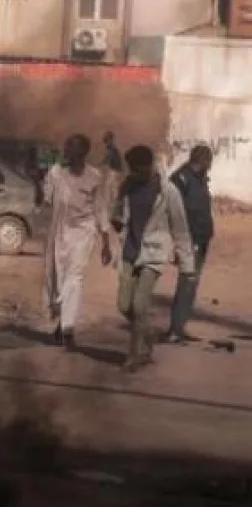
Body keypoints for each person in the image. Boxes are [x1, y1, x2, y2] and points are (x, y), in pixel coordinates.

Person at [108, 145, 195, 373]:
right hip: (130, 251)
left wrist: (188, 266)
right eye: (131, 170)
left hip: (154, 254)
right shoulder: (127, 186)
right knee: (124, 305)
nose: (133, 173)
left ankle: (134, 356)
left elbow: (181, 229)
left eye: (136, 169)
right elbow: (118, 215)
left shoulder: (168, 192)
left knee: (138, 305)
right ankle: (147, 338)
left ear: (148, 166)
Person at [41, 134, 113, 350]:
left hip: (84, 232)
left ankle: (68, 330)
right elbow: (47, 200)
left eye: (70, 147)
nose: (66, 151)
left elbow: (101, 208)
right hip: (60, 231)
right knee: (59, 279)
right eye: (66, 146)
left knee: (75, 277)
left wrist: (106, 241)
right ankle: (63, 323)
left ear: (82, 152)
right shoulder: (56, 174)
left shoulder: (95, 177)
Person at [167, 145, 215, 344]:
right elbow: (173, 211)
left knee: (192, 283)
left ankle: (179, 327)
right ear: (203, 160)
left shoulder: (200, 178)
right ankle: (175, 331)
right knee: (187, 283)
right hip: (189, 239)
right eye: (209, 161)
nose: (210, 166)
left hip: (202, 237)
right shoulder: (181, 179)